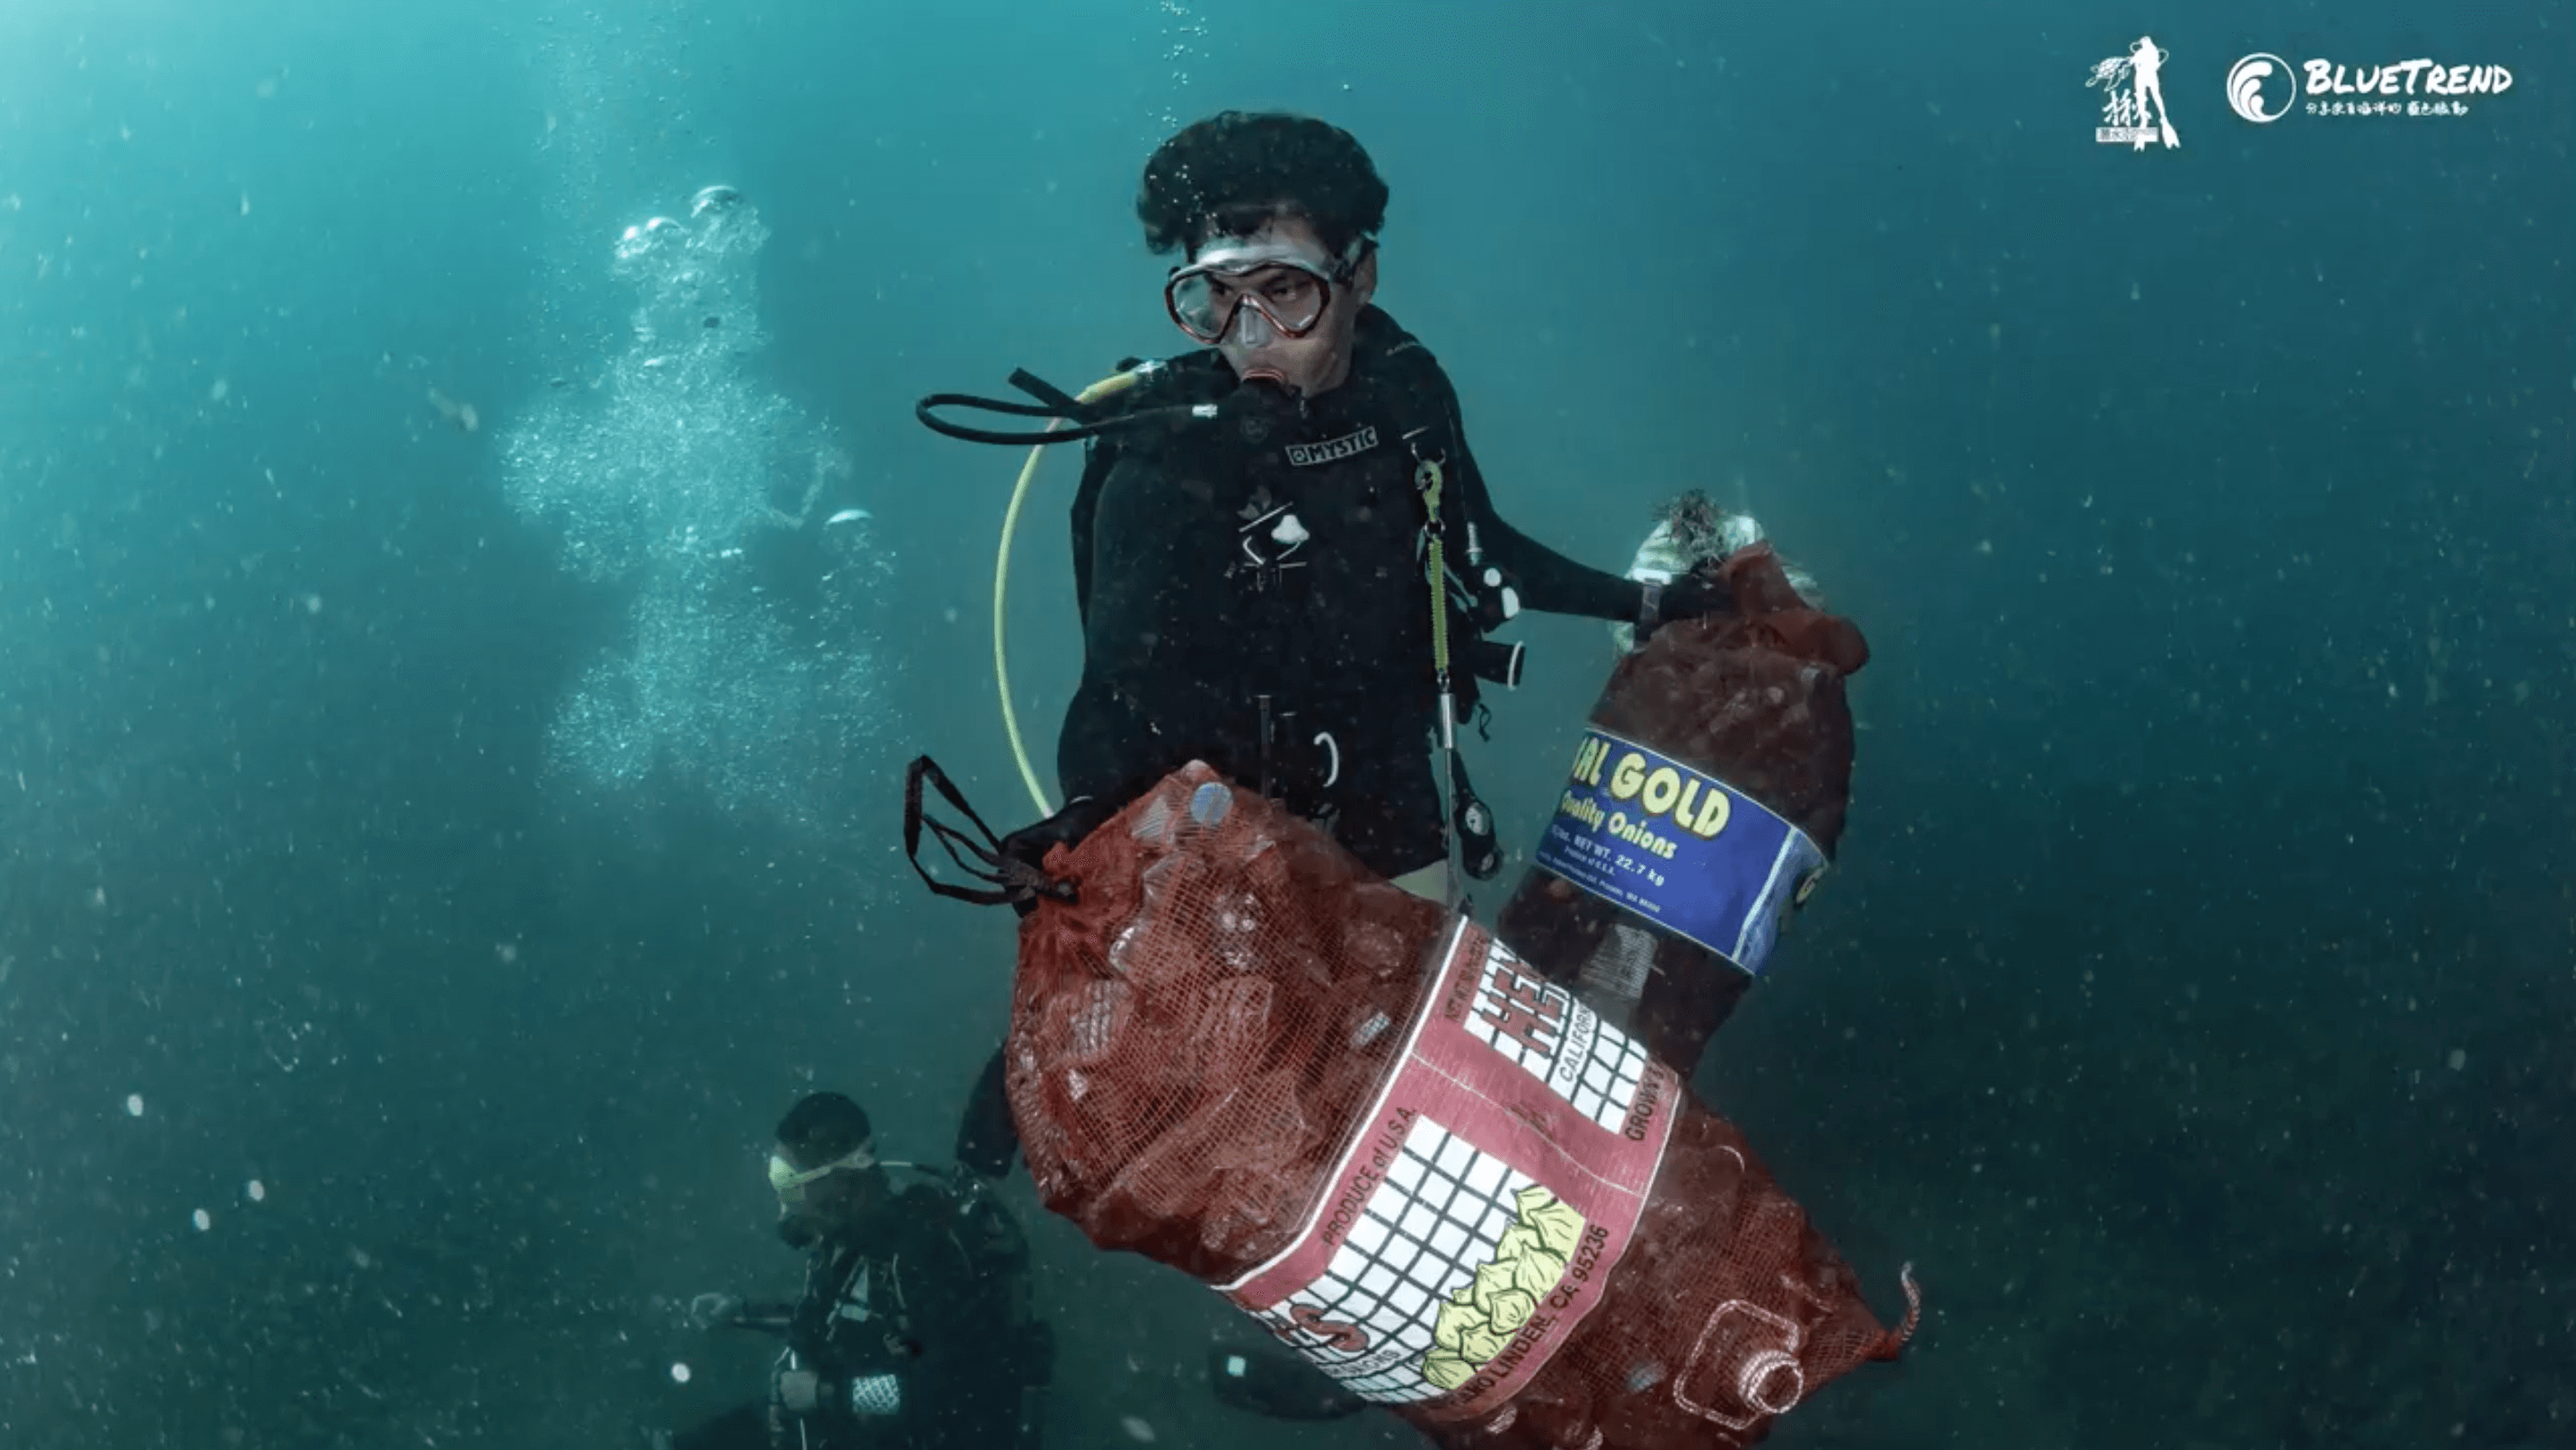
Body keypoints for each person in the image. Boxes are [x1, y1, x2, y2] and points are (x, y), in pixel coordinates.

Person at [932, 110, 1732, 1181]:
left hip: (1391, 795)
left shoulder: (1405, 389)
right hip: (1223, 839)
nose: (1249, 334)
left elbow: (1481, 547)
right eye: (1214, 295)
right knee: (1240, 1101)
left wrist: (1636, 605)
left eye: (1287, 291)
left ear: (1359, 275)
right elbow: (1118, 682)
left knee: (1421, 1098)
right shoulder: (1162, 445)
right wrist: (1087, 827)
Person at [676, 1092, 1052, 1450]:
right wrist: (741, 1312)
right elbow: (827, 1319)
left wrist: (824, 1393)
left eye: (790, 1187)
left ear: (840, 1178)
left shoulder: (921, 1253)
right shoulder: (846, 1245)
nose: (784, 1209)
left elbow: (952, 1390)